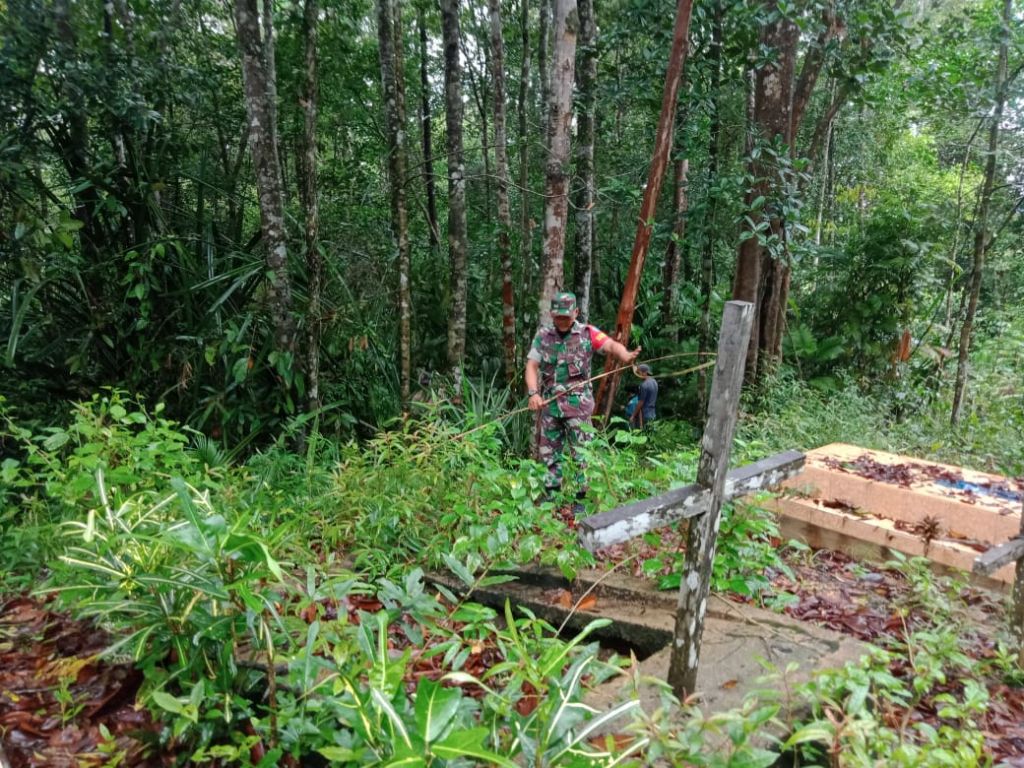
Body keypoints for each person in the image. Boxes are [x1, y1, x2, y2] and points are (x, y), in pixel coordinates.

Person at [525, 291, 641, 513]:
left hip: (578, 408)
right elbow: (531, 366)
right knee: (549, 455)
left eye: (566, 317)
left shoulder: (586, 334)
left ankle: (581, 503)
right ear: (551, 314)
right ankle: (552, 500)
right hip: (550, 407)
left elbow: (609, 345)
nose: (561, 321)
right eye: (558, 317)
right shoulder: (543, 336)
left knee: (582, 456)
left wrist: (625, 355)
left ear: (576, 313)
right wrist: (533, 393)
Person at [629, 364, 658, 428]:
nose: (638, 375)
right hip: (653, 413)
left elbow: (641, 402)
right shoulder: (654, 382)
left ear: (644, 373)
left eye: (639, 373)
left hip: (646, 414)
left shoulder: (644, 385)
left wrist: (633, 415)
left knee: (644, 434)